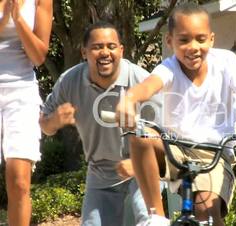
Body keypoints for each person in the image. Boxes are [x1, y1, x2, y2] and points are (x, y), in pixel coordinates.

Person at [116, 3, 236, 226]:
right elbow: (147, 87)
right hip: (175, 150)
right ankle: (156, 217)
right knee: (141, 136)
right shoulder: (168, 68)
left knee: (206, 212)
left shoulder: (227, 62)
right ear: (169, 42)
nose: (193, 47)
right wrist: (129, 100)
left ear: (211, 39)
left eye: (200, 39)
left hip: (214, 155)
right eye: (183, 40)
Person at [39, 21, 161, 226]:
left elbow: (166, 135)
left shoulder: (141, 80)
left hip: (143, 166)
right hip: (100, 171)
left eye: (111, 46)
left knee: (150, 221)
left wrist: (139, 162)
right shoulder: (69, 81)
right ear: (84, 52)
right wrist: (55, 120)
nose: (105, 52)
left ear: (121, 51)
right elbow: (45, 126)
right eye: (97, 47)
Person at [0, 0, 52, 225]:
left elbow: (38, 56)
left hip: (21, 90)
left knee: (20, 181)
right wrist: (4, 20)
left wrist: (19, 19)